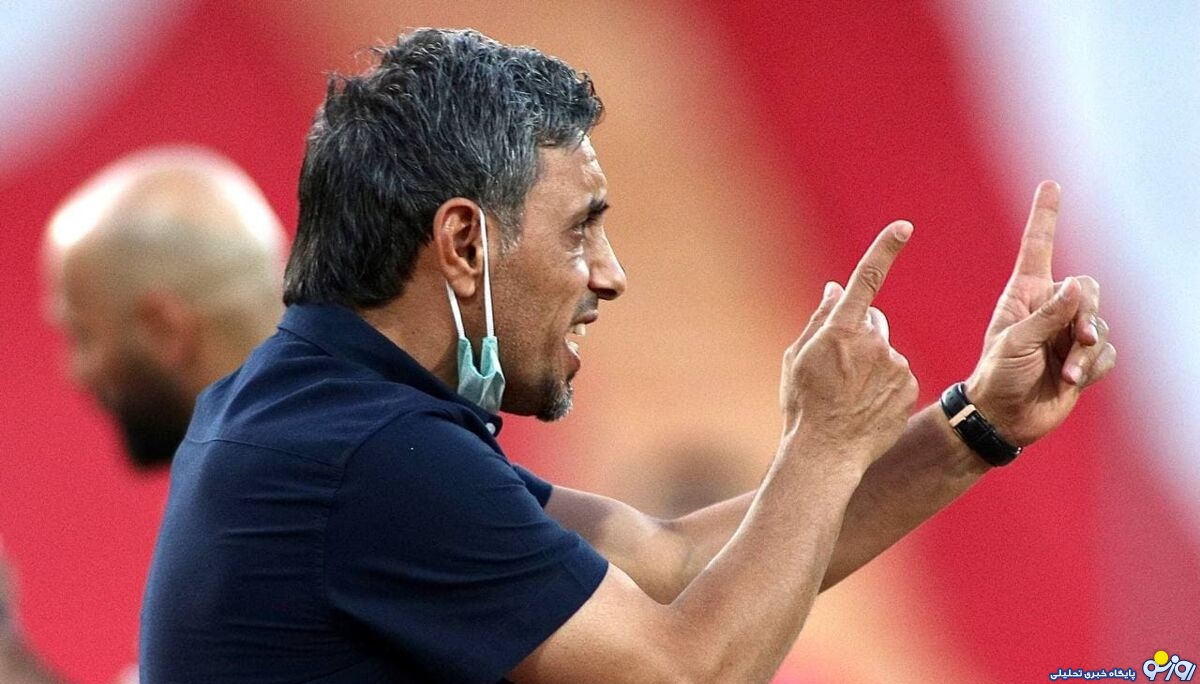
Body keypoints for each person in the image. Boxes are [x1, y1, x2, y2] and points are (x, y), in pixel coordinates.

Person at [139, 29, 1115, 684]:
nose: (608, 276)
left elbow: (671, 563)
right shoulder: (369, 457)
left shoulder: (318, 413)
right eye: (580, 230)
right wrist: (822, 441)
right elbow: (689, 667)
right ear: (465, 243)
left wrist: (974, 425)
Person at [0, 147, 287, 683]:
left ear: (164, 327)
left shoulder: (275, 520)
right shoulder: (280, 482)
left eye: (83, 334)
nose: (76, 373)